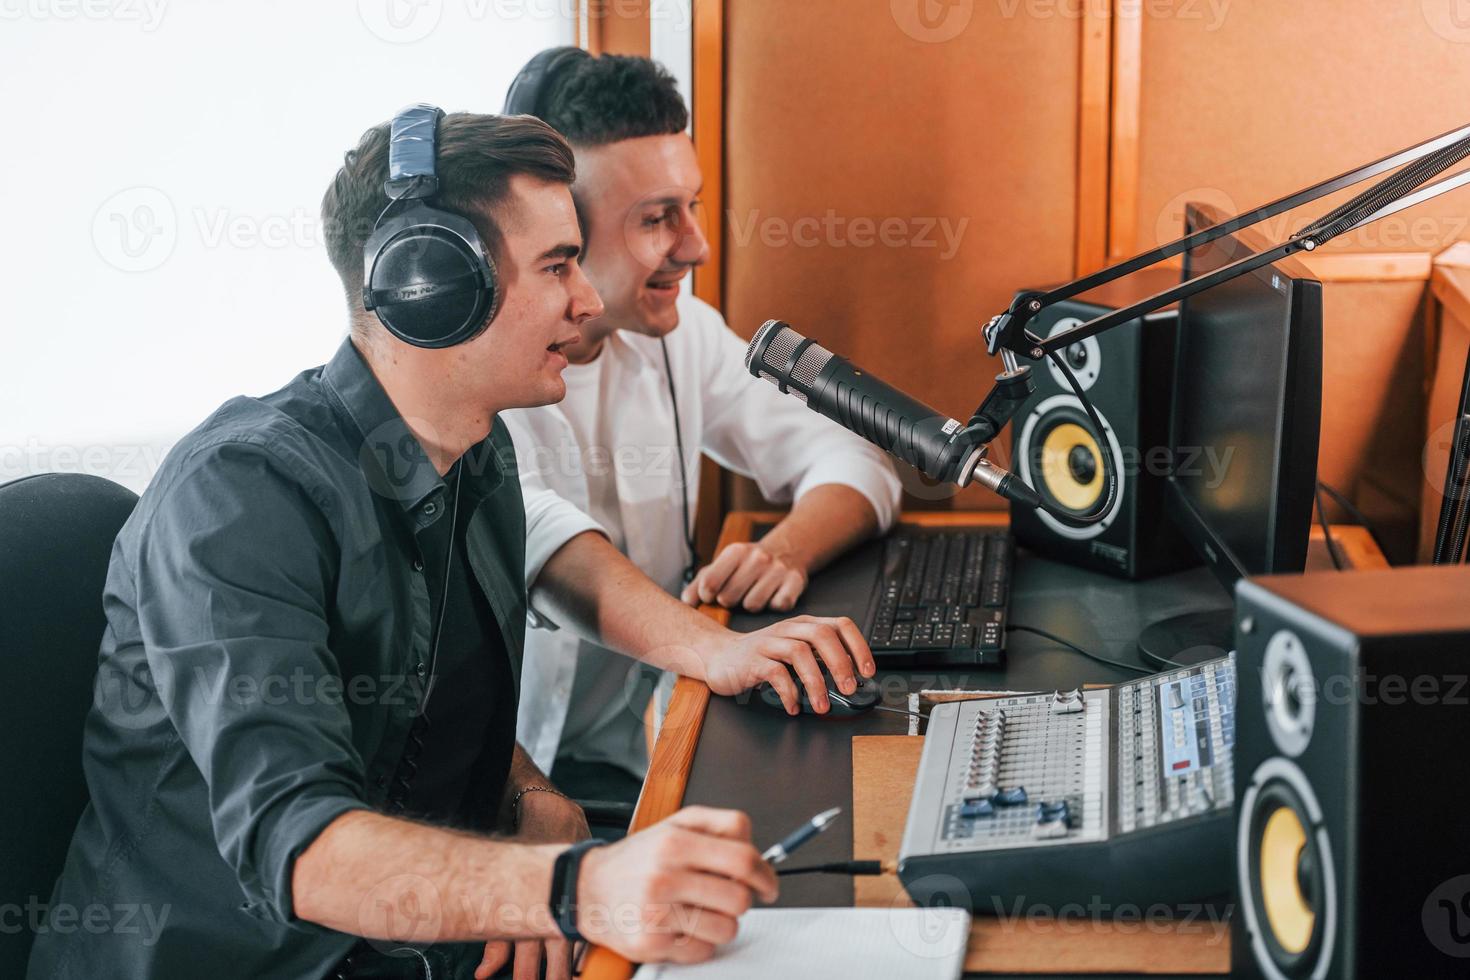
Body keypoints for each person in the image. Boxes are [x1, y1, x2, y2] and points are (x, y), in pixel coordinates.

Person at [29, 109, 867, 980]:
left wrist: (532, 799)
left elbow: (414, 703)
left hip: (418, 946)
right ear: (432, 287)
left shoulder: (475, 452)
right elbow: (302, 848)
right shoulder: (239, 499)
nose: (586, 301)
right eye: (558, 265)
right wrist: (570, 887)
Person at [499, 50, 904, 802]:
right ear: (565, 229)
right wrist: (713, 649)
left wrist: (786, 550)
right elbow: (540, 544)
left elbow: (854, 458)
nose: (696, 246)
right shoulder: (479, 373)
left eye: (692, 206)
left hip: (620, 766)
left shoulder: (684, 336)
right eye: (656, 218)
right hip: (498, 792)